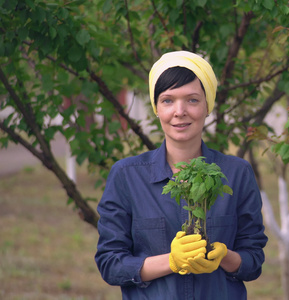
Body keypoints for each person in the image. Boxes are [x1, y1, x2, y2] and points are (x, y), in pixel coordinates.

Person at [95, 51, 268, 299]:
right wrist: (172, 261)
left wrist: (225, 257)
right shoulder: (126, 176)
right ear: (156, 108)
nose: (180, 111)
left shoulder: (236, 173)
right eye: (167, 100)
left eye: (192, 100)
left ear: (208, 106)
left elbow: (253, 260)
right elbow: (110, 264)